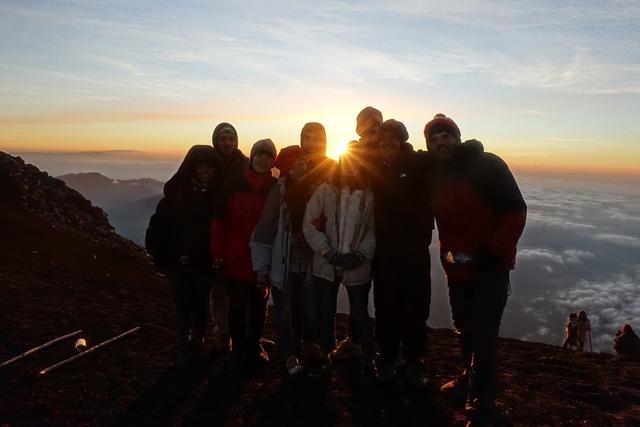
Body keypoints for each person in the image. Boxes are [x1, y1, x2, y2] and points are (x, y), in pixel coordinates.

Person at [426, 114, 527, 426]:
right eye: (434, 138)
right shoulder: (435, 174)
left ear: (457, 138)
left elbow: (515, 210)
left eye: (446, 136)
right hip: (457, 268)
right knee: (465, 328)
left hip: (489, 268)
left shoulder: (486, 166)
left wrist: (493, 251)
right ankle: (466, 379)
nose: (441, 142)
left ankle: (481, 404)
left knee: (483, 334)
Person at [303, 142, 377, 376]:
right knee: (325, 311)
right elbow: (309, 224)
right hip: (327, 263)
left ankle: (367, 358)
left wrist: (360, 255)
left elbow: (372, 232)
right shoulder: (325, 191)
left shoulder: (369, 197)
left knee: (359, 312)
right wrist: (328, 252)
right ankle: (326, 353)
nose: (352, 169)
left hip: (356, 265)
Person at [145, 145, 223, 366]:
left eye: (210, 167)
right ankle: (184, 346)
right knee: (183, 307)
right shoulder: (175, 197)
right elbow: (157, 228)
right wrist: (162, 258)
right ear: (192, 168)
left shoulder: (217, 198)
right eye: (201, 167)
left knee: (200, 307)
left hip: (204, 264)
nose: (205, 172)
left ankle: (195, 346)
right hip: (178, 264)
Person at [370, 119, 433, 388]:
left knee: (416, 309)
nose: (387, 142)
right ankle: (386, 359)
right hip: (383, 252)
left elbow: (446, 156)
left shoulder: (417, 164)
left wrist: (471, 148)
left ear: (402, 141)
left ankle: (413, 362)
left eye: (394, 138)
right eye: (383, 138)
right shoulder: (370, 167)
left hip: (414, 251)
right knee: (385, 308)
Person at [210, 139, 277, 370]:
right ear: (252, 156)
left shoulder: (276, 188)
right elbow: (219, 223)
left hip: (263, 262)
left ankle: (255, 344)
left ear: (273, 161)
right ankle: (239, 349)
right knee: (237, 307)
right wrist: (217, 254)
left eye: (268, 156)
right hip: (236, 258)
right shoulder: (233, 185)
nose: (263, 159)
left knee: (259, 306)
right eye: (259, 154)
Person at [251, 145, 314, 375]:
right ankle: (289, 355)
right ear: (286, 168)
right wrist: (263, 267)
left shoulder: (314, 191)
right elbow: (264, 232)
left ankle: (302, 347)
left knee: (305, 311)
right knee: (284, 313)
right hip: (283, 265)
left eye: (303, 164)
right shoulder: (279, 192)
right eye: (295, 165)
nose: (301, 168)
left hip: (306, 265)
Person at [332, 107, 383, 360]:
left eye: (376, 120)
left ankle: (375, 353)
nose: (371, 124)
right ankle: (355, 344)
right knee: (356, 302)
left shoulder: (388, 149)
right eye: (365, 120)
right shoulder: (353, 151)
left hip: (378, 235)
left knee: (369, 303)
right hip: (347, 243)